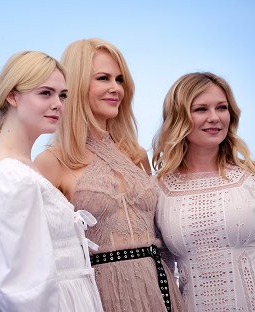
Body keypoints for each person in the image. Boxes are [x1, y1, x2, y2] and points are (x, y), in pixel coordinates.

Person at [35, 38, 185, 312]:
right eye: (103, 78)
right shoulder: (51, 162)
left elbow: (162, 233)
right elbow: (41, 252)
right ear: (77, 84)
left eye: (120, 79)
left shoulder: (136, 155)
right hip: (99, 296)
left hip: (161, 289)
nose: (116, 88)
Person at [152, 72, 255, 311]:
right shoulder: (158, 190)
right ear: (178, 118)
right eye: (201, 109)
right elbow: (162, 273)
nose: (214, 118)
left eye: (221, 108)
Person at [0, 51, 103, 311]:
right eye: (45, 93)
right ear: (12, 96)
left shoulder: (23, 167)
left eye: (63, 95)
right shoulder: (12, 175)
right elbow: (23, 287)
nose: (58, 103)